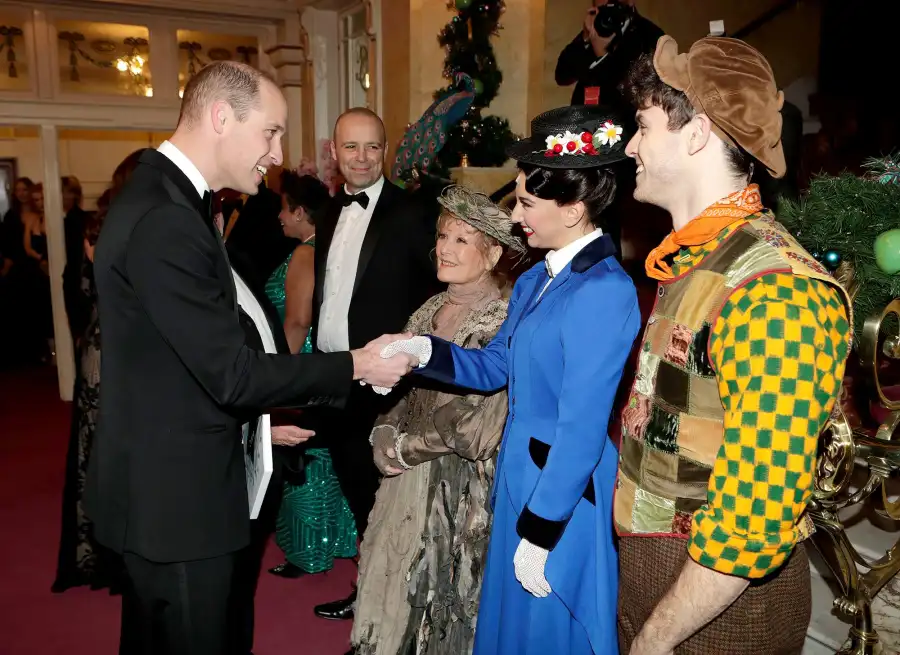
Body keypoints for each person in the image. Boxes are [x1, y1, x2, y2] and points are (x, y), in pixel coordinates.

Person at [84, 61, 415, 655]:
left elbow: (177, 368)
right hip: (177, 505)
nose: (278, 152)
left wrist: (260, 425)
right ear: (220, 118)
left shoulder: (162, 198)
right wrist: (356, 365)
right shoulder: (167, 218)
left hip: (164, 486)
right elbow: (230, 372)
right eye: (270, 131)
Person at [615, 37, 852, 654]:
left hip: (722, 616)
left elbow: (754, 521)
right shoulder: (700, 259)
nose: (630, 146)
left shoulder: (776, 291)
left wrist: (655, 638)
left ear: (696, 134)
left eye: (642, 126)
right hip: (660, 575)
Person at [390, 105, 641, 654]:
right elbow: (494, 367)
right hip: (516, 480)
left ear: (573, 209)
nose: (517, 216)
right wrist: (419, 350)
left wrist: (544, 527)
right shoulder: (534, 280)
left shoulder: (605, 290)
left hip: (561, 494)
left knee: (549, 635)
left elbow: (581, 426)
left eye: (527, 202)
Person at [351, 185, 522, 655]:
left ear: (491, 256)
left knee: (443, 597)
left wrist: (405, 449)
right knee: (393, 589)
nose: (445, 248)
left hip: (456, 487)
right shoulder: (429, 308)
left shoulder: (499, 319)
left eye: (462, 241)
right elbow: (396, 385)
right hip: (406, 473)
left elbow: (476, 423)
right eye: (443, 236)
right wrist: (384, 431)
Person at [311, 107, 440, 622]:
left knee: (384, 496)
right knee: (353, 487)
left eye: (371, 147)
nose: (361, 158)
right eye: (350, 147)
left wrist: (412, 360)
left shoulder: (410, 213)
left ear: (384, 151)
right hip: (334, 373)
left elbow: (434, 294)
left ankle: (388, 606)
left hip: (385, 382)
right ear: (335, 153)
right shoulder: (326, 213)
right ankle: (370, 592)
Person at [52, 151, 144, 595]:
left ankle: (100, 554)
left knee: (95, 452)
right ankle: (121, 560)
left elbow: (82, 289)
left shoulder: (100, 221)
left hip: (97, 345)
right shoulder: (136, 227)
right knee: (120, 454)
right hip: (117, 351)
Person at [264, 169, 358, 578]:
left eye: (285, 210)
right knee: (321, 455)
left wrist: (276, 375)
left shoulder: (306, 252)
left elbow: (298, 319)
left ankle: (309, 552)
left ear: (301, 212)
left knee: (306, 457)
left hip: (299, 360)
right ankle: (335, 542)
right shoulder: (324, 246)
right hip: (316, 362)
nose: (280, 218)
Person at [554, 0, 662, 111]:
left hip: (622, 124)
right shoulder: (595, 28)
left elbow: (642, 93)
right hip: (585, 121)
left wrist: (601, 55)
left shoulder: (651, 36)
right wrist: (585, 39)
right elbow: (562, 76)